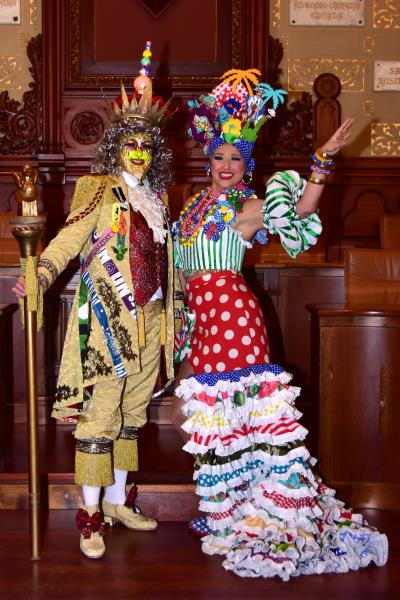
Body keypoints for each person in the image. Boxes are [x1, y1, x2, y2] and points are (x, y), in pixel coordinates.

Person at [171, 68, 388, 580]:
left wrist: (321, 162)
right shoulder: (194, 205)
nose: (227, 165)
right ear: (210, 160)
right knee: (210, 419)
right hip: (200, 317)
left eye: (236, 158)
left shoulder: (246, 206)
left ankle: (267, 514)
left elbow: (302, 208)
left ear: (246, 164)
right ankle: (226, 510)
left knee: (242, 415)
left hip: (233, 314)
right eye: (220, 157)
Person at [13, 42, 184, 559]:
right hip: (110, 319)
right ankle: (88, 519)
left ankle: (118, 501)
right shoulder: (97, 187)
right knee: (101, 417)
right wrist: (41, 271)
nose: (139, 151)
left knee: (135, 415)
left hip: (153, 319)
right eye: (130, 142)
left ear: (156, 151)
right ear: (115, 146)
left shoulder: (158, 198)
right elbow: (68, 239)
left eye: (147, 144)